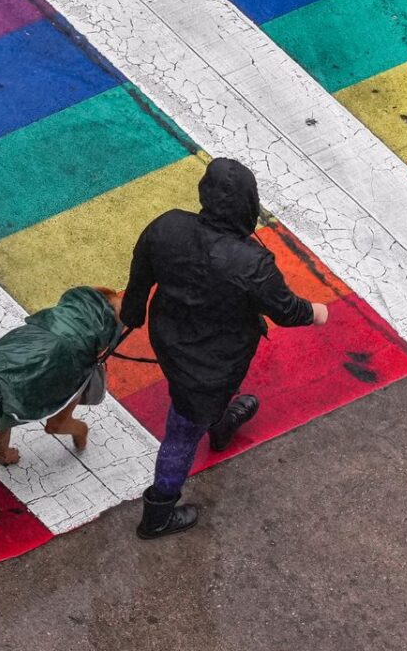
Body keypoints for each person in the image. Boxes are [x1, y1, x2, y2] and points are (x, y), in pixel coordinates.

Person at [120, 158, 330, 539]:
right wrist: (315, 312)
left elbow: (141, 272)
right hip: (218, 359)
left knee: (194, 405)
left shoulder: (167, 225)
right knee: (182, 432)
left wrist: (133, 314)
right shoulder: (252, 262)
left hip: (168, 338)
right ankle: (158, 514)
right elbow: (285, 310)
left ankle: (218, 421)